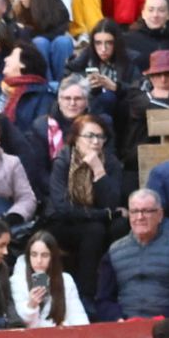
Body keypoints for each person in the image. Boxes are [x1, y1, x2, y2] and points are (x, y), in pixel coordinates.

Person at [46, 114, 128, 308]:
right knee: (94, 230)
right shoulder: (63, 161)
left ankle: (116, 290)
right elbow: (63, 207)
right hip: (65, 222)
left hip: (97, 219)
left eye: (100, 137)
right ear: (76, 138)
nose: (95, 142)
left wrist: (98, 169)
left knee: (120, 226)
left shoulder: (111, 163)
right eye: (89, 136)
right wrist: (106, 214)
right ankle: (87, 296)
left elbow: (111, 201)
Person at [96, 190, 169, 321]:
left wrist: (166, 318)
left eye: (146, 211)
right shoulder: (114, 251)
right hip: (125, 327)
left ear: (160, 215)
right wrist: (119, 320)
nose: (140, 217)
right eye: (134, 211)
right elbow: (104, 299)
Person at [67, 20, 142, 122]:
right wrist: (85, 84)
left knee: (108, 97)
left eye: (109, 43)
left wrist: (116, 87)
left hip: (120, 112)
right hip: (88, 106)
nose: (103, 49)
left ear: (116, 43)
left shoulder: (131, 59)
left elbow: (139, 91)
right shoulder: (87, 56)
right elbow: (68, 75)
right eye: (98, 43)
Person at [12, 230, 89, 327]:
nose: (39, 261)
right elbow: (18, 325)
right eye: (34, 255)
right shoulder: (17, 281)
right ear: (28, 256)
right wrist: (31, 306)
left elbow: (78, 316)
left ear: (53, 257)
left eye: (44, 255)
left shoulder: (66, 280)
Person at [18, 0, 75, 80]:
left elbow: (59, 32)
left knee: (63, 42)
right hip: (32, 53)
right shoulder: (19, 10)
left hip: (56, 48)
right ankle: (46, 85)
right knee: (40, 43)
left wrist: (29, 31)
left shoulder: (59, 9)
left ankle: (62, 84)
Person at [0, 43, 53, 137]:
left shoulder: (42, 94)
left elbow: (40, 132)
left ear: (23, 63)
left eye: (11, 55)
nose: (5, 59)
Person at [124, 0, 169, 73]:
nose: (155, 15)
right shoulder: (128, 40)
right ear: (143, 14)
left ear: (168, 15)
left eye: (161, 10)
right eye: (150, 10)